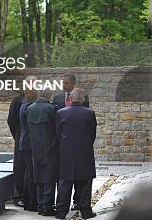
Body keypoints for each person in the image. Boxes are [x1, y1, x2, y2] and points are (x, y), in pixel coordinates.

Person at [55, 88, 97, 220]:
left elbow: (57, 135)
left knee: (64, 184)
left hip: (65, 153)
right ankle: (86, 211)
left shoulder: (61, 113)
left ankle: (61, 212)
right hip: (84, 153)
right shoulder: (90, 113)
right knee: (84, 183)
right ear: (83, 99)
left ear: (70, 99)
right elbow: (92, 135)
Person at [26, 88, 59, 216]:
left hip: (35, 147)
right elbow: (57, 129)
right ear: (49, 95)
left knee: (38, 178)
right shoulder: (52, 109)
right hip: (50, 147)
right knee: (49, 178)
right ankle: (47, 207)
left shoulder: (29, 108)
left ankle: (40, 205)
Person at [19, 79, 38, 212]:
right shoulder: (27, 107)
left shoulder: (25, 105)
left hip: (26, 144)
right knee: (31, 174)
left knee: (29, 174)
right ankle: (31, 202)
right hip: (28, 144)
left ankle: (29, 201)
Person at [8, 90, 25, 207]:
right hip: (21, 137)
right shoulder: (17, 100)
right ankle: (19, 195)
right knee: (20, 167)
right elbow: (12, 121)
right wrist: (18, 135)